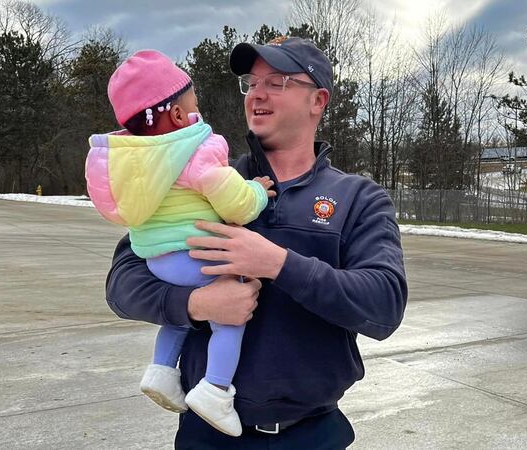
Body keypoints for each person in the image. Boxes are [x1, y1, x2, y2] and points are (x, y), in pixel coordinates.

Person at [105, 36, 407, 449]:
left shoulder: (359, 198)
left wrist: (278, 263)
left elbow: (384, 306)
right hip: (207, 433)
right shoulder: (202, 178)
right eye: (251, 82)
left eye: (277, 81)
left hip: (313, 434)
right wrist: (196, 305)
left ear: (318, 100)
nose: (257, 94)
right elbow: (122, 284)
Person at [86, 49, 274, 436]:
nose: (198, 110)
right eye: (194, 102)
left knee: (182, 318)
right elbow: (235, 204)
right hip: (194, 254)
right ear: (176, 114)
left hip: (157, 260)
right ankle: (216, 389)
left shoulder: (133, 161)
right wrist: (256, 191)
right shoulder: (195, 149)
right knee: (230, 316)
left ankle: (160, 370)